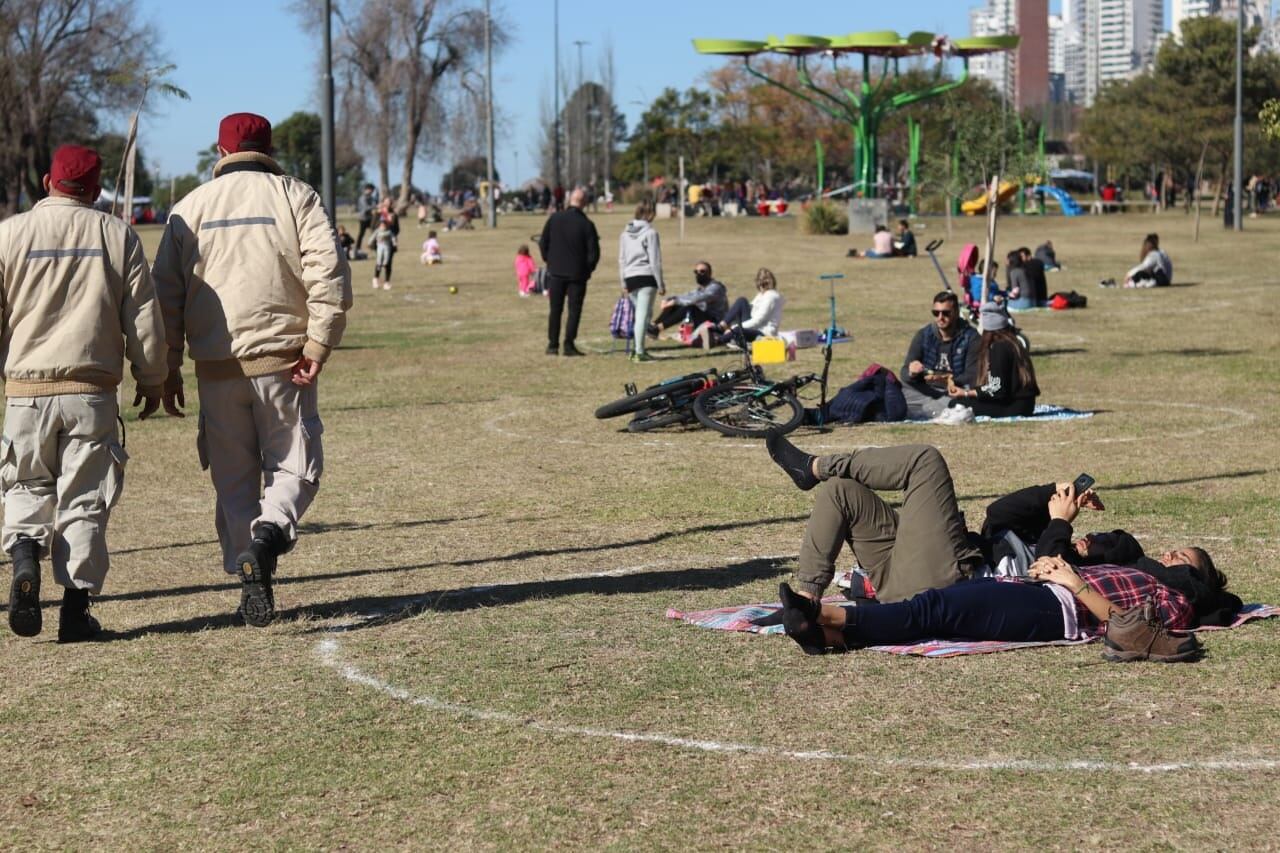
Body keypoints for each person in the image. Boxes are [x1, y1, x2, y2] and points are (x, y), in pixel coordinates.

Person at [152, 112, 353, 627]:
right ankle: (267, 538)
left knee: (233, 481)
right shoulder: (295, 195)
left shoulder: (189, 206)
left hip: (216, 367)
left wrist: (168, 366)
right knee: (294, 464)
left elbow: (164, 297)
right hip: (285, 361)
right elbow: (328, 272)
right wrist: (318, 344)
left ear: (220, 152)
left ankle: (251, 576)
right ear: (269, 149)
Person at [0, 144, 168, 641]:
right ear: (96, 190)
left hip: (26, 389)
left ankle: (25, 555)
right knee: (85, 499)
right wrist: (153, 378)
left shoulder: (9, 234)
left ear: (49, 182)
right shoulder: (116, 235)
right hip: (91, 391)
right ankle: (75, 611)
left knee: (25, 483)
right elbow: (143, 318)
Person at [776, 554, 1206, 661]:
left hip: (1057, 612)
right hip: (1038, 594)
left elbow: (1129, 628)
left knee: (933, 609)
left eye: (1181, 557)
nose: (1168, 555)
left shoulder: (1176, 599)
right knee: (933, 614)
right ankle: (828, 636)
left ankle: (823, 617)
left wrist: (1072, 580)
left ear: (1193, 575)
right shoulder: (1141, 572)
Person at [762, 439, 982, 607]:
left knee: (925, 460)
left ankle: (815, 467)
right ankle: (806, 600)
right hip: (895, 581)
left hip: (942, 583)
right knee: (840, 490)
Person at [941, 302, 1039, 420]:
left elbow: (997, 389)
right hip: (1025, 404)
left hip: (1015, 406)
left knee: (956, 404)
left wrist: (966, 393)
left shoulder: (999, 348)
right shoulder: (1013, 343)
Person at [538, 186, 600, 357]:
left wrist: (549, 260)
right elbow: (593, 253)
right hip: (577, 274)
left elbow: (543, 243)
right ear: (585, 203)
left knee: (555, 309)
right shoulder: (587, 224)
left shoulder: (555, 219)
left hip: (556, 271)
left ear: (569, 200)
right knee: (574, 310)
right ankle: (568, 344)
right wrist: (588, 269)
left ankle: (552, 344)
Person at [900, 291, 979, 420]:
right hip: (924, 390)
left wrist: (945, 380)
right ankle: (934, 409)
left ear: (956, 312)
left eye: (946, 313)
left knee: (958, 403)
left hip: (953, 393)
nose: (940, 317)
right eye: (936, 313)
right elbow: (904, 372)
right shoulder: (923, 335)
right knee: (893, 389)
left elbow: (973, 375)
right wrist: (911, 372)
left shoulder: (971, 337)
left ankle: (930, 410)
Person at [617, 200, 665, 362]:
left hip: (630, 278)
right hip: (646, 277)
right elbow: (655, 260)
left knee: (642, 314)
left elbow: (621, 260)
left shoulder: (625, 233)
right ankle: (639, 351)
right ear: (649, 213)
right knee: (642, 316)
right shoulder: (651, 233)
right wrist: (660, 283)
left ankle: (638, 348)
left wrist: (623, 281)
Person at [649, 261, 728, 335]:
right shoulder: (701, 288)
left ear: (710, 273)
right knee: (677, 304)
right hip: (704, 319)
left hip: (716, 323)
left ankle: (657, 329)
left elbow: (697, 299)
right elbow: (686, 296)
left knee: (689, 307)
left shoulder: (716, 288)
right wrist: (669, 299)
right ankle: (654, 325)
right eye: (696, 272)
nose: (699, 274)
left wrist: (675, 301)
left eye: (702, 271)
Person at [714, 267, 783, 345]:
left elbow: (757, 321)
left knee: (737, 330)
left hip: (763, 333)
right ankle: (721, 327)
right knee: (742, 301)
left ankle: (717, 341)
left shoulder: (771, 297)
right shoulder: (762, 295)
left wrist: (733, 328)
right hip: (755, 327)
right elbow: (750, 308)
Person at [372, 217, 397, 289]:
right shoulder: (378, 214)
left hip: (389, 247)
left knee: (387, 264)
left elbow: (396, 230)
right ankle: (375, 280)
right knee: (378, 263)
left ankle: (387, 282)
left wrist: (395, 244)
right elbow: (373, 231)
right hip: (379, 247)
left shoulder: (393, 216)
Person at [354, 183, 376, 250]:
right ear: (367, 189)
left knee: (374, 232)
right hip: (363, 218)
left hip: (370, 218)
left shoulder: (371, 197)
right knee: (361, 233)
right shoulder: (362, 198)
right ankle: (358, 247)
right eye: (371, 190)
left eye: (372, 191)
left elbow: (374, 205)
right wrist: (374, 206)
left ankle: (374, 246)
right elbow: (366, 208)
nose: (372, 192)